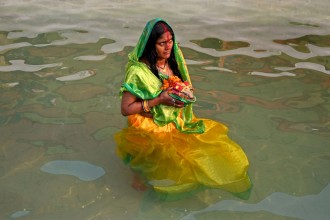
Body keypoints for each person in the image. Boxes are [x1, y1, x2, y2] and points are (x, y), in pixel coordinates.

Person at [114, 18, 251, 199]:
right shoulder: (138, 71)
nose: (168, 47)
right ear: (150, 45)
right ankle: (137, 178)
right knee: (146, 157)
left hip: (175, 119)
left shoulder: (172, 60)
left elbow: (182, 83)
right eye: (162, 43)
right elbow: (126, 108)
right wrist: (160, 99)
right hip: (146, 121)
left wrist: (183, 94)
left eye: (171, 41)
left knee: (204, 151)